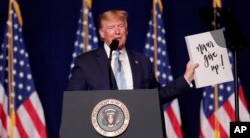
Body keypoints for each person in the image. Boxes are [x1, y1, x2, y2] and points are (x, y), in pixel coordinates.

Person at [67, 10, 199, 104]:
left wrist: (186, 78)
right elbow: (74, 102)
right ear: (102, 33)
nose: (117, 31)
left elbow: (157, 96)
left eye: (121, 26)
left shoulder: (142, 61)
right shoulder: (85, 63)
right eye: (111, 27)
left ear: (127, 30)